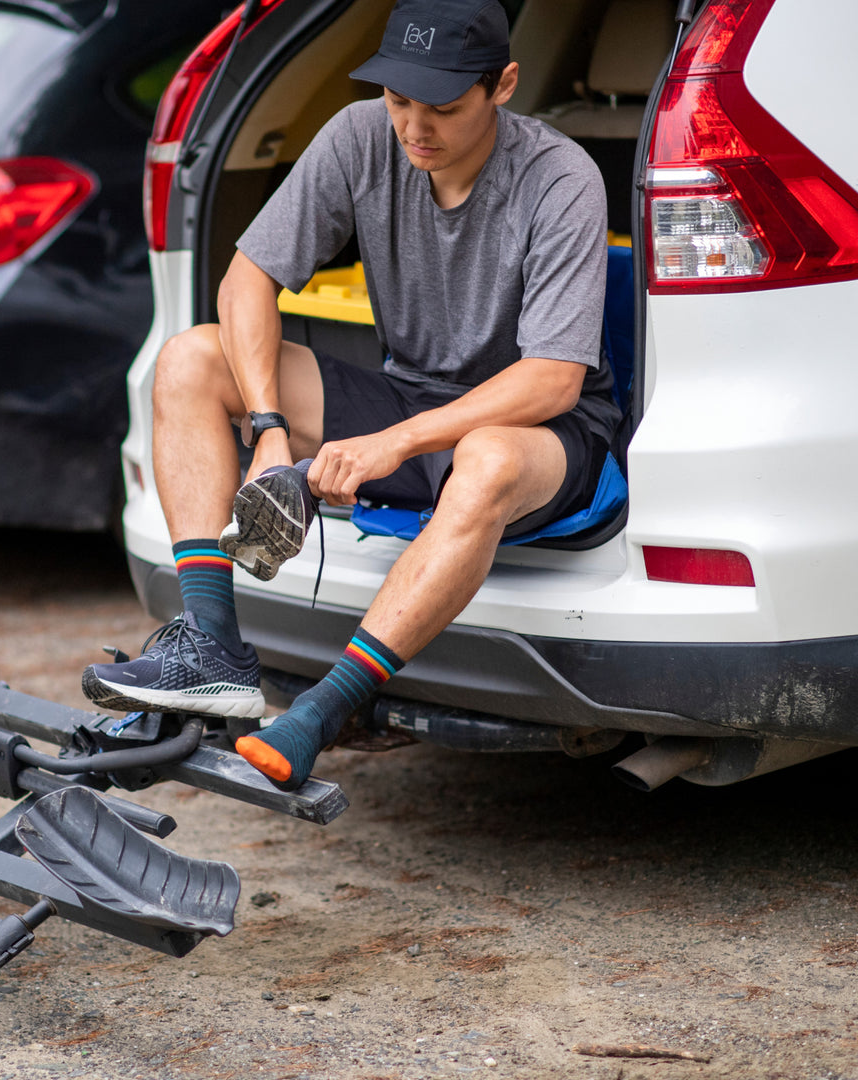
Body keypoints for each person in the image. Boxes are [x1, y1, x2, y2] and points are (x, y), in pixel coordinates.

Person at [82, 0, 621, 791]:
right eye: (399, 101)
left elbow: (553, 378)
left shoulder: (561, 179)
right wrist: (268, 427)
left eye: (441, 107)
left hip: (538, 425)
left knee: (489, 456)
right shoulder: (362, 134)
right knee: (192, 358)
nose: (414, 128)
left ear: (501, 85)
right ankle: (212, 651)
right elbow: (246, 281)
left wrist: (394, 444)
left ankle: (326, 710)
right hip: (408, 395)